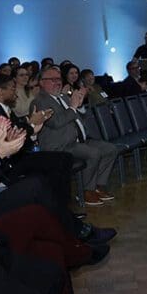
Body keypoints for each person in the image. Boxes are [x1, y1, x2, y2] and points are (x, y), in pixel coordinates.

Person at [31, 67, 119, 206]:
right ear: (41, 82)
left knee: (110, 149)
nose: (57, 82)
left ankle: (99, 185)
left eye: (59, 79)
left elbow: (81, 117)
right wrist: (72, 107)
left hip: (78, 140)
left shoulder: (63, 97)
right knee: (93, 153)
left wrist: (80, 103)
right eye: (52, 80)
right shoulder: (40, 101)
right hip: (59, 146)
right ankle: (86, 191)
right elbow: (56, 122)